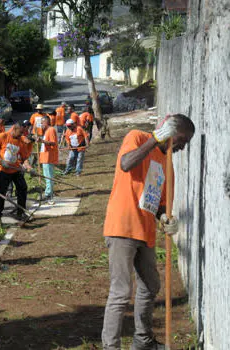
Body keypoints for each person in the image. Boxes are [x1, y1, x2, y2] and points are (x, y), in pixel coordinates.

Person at [102, 114, 195, 350]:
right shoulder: (137, 137)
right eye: (182, 140)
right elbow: (126, 164)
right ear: (171, 131)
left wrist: (164, 216)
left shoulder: (166, 163)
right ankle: (110, 347)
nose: (182, 147)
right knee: (121, 292)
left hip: (145, 231)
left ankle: (142, 340)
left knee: (151, 285)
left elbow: (159, 202)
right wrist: (155, 139)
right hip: (122, 226)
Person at [0, 123, 33, 221]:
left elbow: (24, 158)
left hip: (15, 169)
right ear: (14, 129)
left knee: (22, 188)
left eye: (22, 133)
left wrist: (29, 168)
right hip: (3, 169)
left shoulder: (20, 141)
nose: (20, 135)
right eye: (19, 133)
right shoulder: (3, 136)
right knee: (1, 191)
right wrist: (1, 161)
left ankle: (20, 212)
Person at [37, 116, 59, 203]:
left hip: (49, 157)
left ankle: (48, 194)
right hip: (44, 157)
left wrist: (42, 141)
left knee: (48, 176)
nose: (41, 124)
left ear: (47, 122)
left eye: (42, 122)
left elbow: (53, 143)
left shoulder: (51, 130)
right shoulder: (46, 131)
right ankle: (48, 193)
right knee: (47, 176)